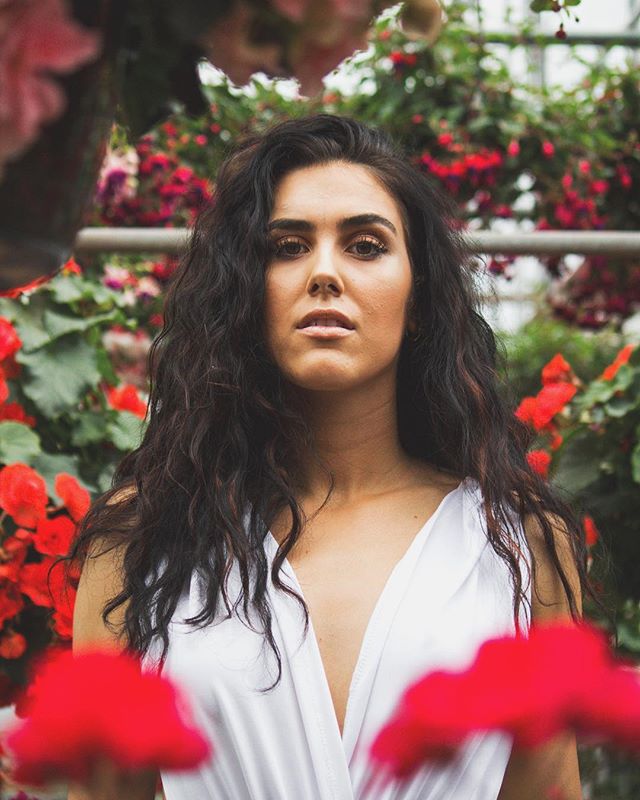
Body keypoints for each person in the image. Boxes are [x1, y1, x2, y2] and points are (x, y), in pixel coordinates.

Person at [68, 113, 604, 800]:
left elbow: (546, 790)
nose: (323, 273)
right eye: (287, 247)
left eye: (365, 245)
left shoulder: (517, 543)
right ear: (244, 291)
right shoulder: (142, 540)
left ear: (417, 301)